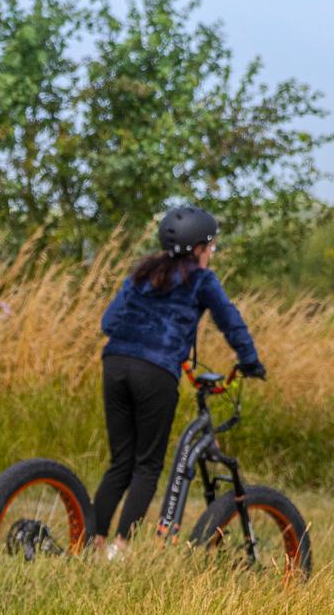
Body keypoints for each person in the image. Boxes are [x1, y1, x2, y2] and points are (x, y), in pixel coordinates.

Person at [92, 205, 264, 555]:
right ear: (199, 248)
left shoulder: (142, 273)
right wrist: (251, 362)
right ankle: (120, 549)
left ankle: (90, 544)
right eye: (211, 247)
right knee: (148, 464)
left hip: (115, 363)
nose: (212, 253)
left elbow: (108, 322)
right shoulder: (201, 280)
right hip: (154, 371)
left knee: (120, 462)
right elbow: (230, 321)